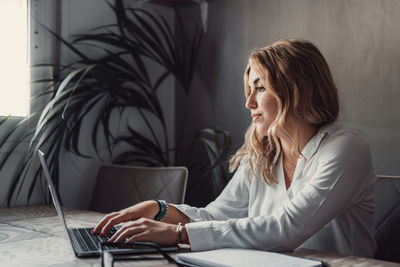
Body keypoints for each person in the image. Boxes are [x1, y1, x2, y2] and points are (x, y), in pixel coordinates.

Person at [92, 39, 377, 258]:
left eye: (260, 88)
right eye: (248, 90)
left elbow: (286, 228)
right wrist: (160, 209)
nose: (249, 103)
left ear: (295, 90)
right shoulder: (264, 151)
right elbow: (217, 216)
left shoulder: (346, 148)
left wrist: (178, 234)